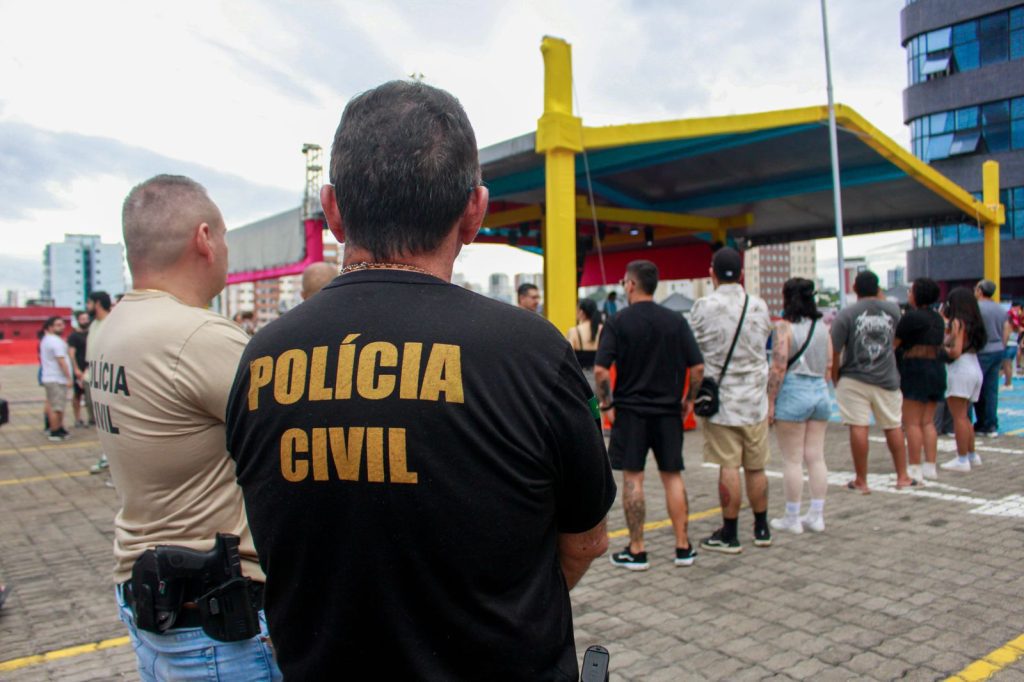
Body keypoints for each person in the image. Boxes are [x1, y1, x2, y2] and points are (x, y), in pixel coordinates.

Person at [225, 81, 615, 680]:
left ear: (332, 209)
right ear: (475, 212)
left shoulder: (261, 359)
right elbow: (585, 540)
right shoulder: (534, 354)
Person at [92, 175, 281, 680]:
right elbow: (298, 436)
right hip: (216, 624)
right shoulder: (196, 336)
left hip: (150, 596)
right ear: (203, 239)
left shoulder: (108, 329)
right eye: (223, 235)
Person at [595, 260, 704, 569]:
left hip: (631, 413)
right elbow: (697, 367)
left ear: (631, 284)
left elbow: (602, 369)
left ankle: (637, 549)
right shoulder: (676, 321)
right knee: (673, 476)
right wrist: (689, 400)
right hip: (669, 412)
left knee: (634, 478)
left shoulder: (618, 322)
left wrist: (607, 407)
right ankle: (683, 547)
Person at [691, 247, 774, 553]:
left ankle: (730, 532)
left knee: (729, 465)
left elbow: (695, 350)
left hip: (721, 401)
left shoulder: (703, 306)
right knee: (757, 466)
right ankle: (762, 527)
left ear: (711, 273)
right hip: (755, 400)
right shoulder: (759, 306)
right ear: (741, 274)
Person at [831, 270, 916, 493]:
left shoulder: (847, 314)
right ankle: (902, 476)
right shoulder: (893, 310)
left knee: (858, 427)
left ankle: (862, 480)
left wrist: (834, 376)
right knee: (893, 425)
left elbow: (835, 349)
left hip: (854, 376)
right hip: (887, 376)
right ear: (878, 288)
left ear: (855, 289)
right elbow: (900, 336)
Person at [767, 278, 832, 534]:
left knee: (792, 459)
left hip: (794, 391)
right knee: (816, 457)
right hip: (820, 392)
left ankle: (792, 517)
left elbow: (779, 366)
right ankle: (816, 515)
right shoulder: (822, 326)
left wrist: (771, 401)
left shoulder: (784, 327)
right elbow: (829, 364)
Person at [894, 278, 946, 482]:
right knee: (927, 421)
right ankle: (930, 465)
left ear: (918, 294)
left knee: (911, 422)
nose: (909, 294)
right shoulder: (938, 318)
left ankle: (914, 466)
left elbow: (895, 344)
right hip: (937, 369)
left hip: (915, 369)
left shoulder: (910, 318)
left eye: (911, 291)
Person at [940, 287, 987, 473]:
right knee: (966, 416)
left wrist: (941, 350)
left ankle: (961, 458)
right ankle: (971, 454)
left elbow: (955, 351)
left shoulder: (958, 322)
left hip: (961, 369)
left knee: (958, 416)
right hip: (974, 367)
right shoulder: (975, 323)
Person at [973, 279, 1008, 436]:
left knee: (977, 390)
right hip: (997, 349)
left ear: (980, 290)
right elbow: (1006, 330)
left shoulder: (976, 308)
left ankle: (982, 423)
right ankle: (991, 423)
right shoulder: (1000, 309)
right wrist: (1002, 345)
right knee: (992, 389)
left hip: (981, 351)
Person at [85, 291, 112, 473]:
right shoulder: (94, 324)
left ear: (97, 303)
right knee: (100, 421)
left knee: (113, 422)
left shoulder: (113, 323)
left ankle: (111, 458)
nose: (87, 306)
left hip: (108, 378)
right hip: (92, 377)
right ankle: (106, 455)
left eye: (89, 302)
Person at [39, 316, 73, 441]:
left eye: (62, 324)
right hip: (57, 378)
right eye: (58, 325)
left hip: (51, 377)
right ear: (50, 327)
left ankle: (57, 427)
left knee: (53, 404)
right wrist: (69, 377)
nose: (62, 327)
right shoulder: (54, 341)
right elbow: (61, 360)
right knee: (57, 407)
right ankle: (55, 431)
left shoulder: (48, 340)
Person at [66, 311, 94, 428]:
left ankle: (92, 418)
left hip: (91, 367)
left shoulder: (92, 333)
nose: (85, 321)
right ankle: (77, 419)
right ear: (78, 320)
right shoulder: (73, 336)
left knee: (90, 395)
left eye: (86, 318)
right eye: (82, 319)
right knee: (77, 395)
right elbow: (71, 354)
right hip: (79, 367)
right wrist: (76, 369)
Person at [567, 297, 603, 380]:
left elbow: (569, 358)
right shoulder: (602, 329)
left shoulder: (575, 331)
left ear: (581, 312)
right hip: (599, 377)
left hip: (582, 378)